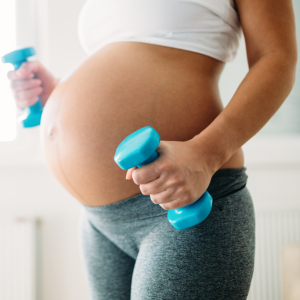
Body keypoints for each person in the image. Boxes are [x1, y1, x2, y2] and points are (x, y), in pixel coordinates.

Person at [7, 0, 297, 299]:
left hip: (184, 203)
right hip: (99, 221)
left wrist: (205, 155)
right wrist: (56, 90)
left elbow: (277, 58)